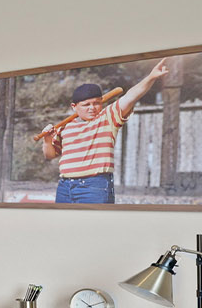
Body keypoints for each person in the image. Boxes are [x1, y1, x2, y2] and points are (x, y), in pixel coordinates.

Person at [39, 57, 170, 204]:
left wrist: (151, 77)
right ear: (74, 107)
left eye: (96, 103)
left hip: (94, 187)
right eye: (86, 104)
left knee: (96, 225)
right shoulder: (65, 127)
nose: (92, 108)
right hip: (64, 187)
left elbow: (131, 96)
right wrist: (47, 140)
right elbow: (50, 155)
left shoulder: (107, 118)